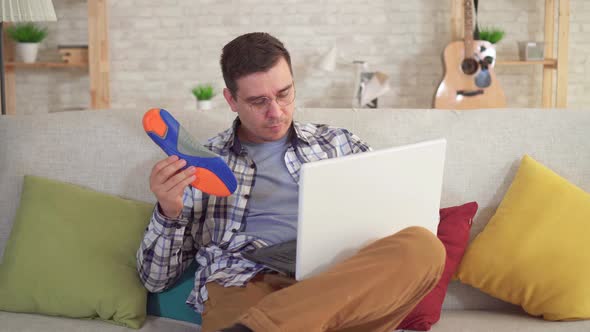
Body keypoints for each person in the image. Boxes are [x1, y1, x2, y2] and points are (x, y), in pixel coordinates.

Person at [137, 32, 445, 332]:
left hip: (338, 280)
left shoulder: (339, 142)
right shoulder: (202, 165)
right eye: (259, 101)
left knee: (425, 248)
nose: (276, 112)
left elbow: (393, 223)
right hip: (244, 280)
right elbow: (155, 280)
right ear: (231, 100)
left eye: (284, 94)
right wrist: (169, 212)